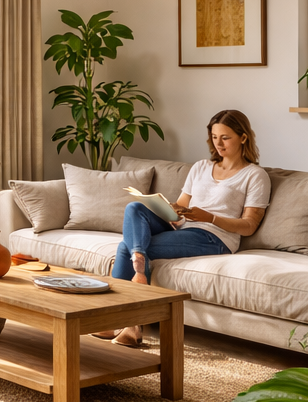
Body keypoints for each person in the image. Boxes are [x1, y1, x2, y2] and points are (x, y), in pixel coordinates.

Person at [105, 109, 271, 348]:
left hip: (215, 237)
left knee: (126, 246)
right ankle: (136, 278)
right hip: (183, 227)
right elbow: (183, 204)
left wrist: (210, 217)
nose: (219, 144)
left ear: (243, 137)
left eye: (225, 138)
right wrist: (171, 209)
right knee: (135, 208)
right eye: (214, 137)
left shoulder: (254, 175)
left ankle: (128, 321)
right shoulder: (201, 167)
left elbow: (249, 226)